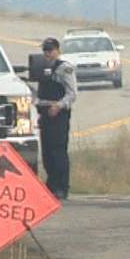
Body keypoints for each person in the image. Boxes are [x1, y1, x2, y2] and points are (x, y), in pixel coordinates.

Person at [36, 37, 77, 200]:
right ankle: (51, 185)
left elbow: (72, 93)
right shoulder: (41, 68)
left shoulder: (64, 68)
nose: (48, 53)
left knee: (58, 151)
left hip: (59, 114)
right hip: (45, 112)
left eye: (50, 50)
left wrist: (59, 106)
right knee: (46, 152)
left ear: (58, 51)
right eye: (45, 50)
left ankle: (62, 186)